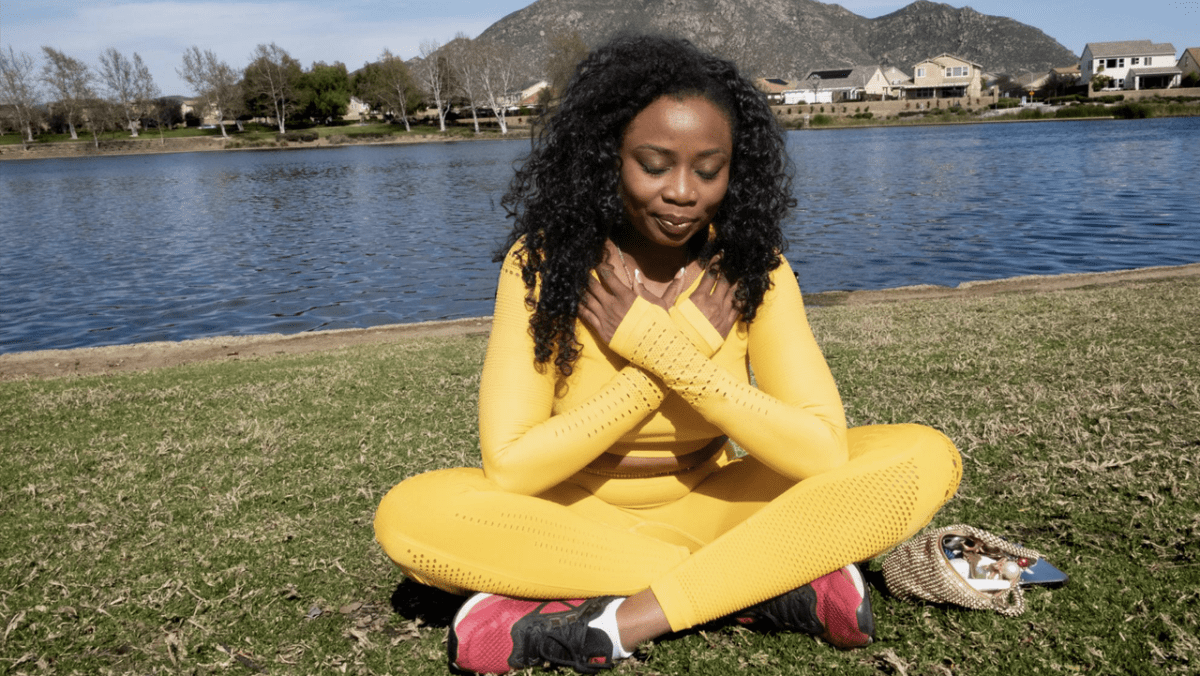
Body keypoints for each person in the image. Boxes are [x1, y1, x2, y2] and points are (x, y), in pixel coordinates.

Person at [374, 34, 962, 674]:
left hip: (711, 500)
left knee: (924, 457)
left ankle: (620, 620)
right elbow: (513, 469)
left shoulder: (751, 268)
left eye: (709, 170)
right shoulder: (543, 265)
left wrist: (664, 351)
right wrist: (665, 360)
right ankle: (762, 581)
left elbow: (821, 449)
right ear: (606, 159)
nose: (684, 192)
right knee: (409, 518)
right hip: (569, 519)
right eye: (654, 165)